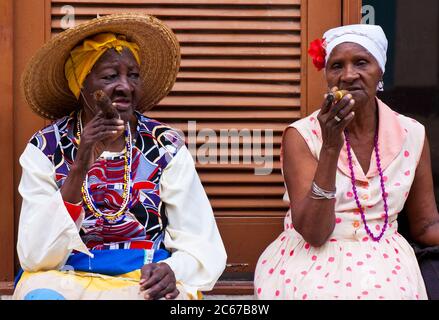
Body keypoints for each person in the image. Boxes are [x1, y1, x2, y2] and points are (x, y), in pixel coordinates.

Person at [13, 13, 227, 300]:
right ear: (82, 87)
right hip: (66, 277)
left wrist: (173, 269)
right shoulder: (45, 148)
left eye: (133, 76)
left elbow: (201, 241)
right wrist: (79, 168)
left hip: (143, 279)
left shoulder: (164, 146)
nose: (125, 86)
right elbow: (35, 256)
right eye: (110, 76)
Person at [254, 24, 439, 300]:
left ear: (380, 72)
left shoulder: (411, 134)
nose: (348, 75)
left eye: (361, 62)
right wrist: (330, 147)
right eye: (337, 66)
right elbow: (315, 233)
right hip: (311, 261)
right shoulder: (302, 136)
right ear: (327, 76)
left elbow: (426, 226)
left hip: (387, 263)